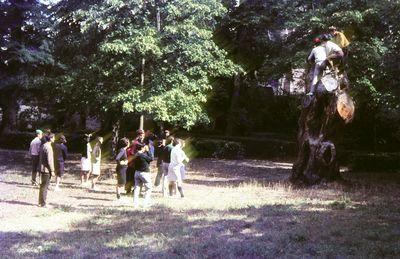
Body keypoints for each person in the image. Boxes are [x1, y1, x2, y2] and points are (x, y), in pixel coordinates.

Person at [133, 142, 154, 208]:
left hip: (137, 172)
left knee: (137, 188)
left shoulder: (135, 154)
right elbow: (151, 159)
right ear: (142, 148)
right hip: (144, 173)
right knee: (148, 188)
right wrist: (148, 150)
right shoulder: (142, 155)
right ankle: (145, 203)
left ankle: (135, 204)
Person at [38, 133, 55, 207]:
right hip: (46, 170)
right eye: (53, 137)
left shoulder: (43, 145)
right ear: (51, 138)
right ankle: (43, 203)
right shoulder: (49, 147)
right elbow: (50, 160)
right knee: (45, 186)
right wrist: (52, 170)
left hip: (41, 168)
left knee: (42, 186)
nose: (54, 139)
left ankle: (40, 201)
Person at [125, 129, 145, 193]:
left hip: (136, 163)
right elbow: (132, 152)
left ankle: (133, 190)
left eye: (143, 134)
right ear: (139, 135)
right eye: (142, 134)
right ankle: (129, 190)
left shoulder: (138, 142)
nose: (143, 135)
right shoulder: (135, 142)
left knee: (133, 177)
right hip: (133, 163)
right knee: (131, 177)